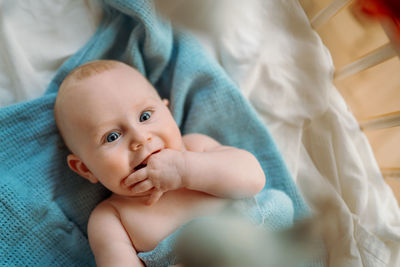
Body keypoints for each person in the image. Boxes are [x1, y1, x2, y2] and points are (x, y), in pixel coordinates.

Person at [54, 60, 266, 266]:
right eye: (112, 137)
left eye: (145, 116)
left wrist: (186, 169)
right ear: (85, 169)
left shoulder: (196, 148)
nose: (139, 138)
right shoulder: (111, 219)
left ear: (169, 113)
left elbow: (254, 178)